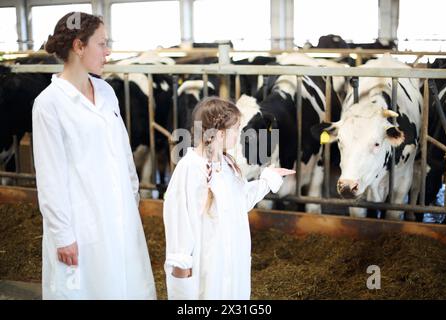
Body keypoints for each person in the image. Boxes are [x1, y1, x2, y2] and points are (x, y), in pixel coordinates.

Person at [32, 12, 156, 299]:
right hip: (82, 222)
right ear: (78, 46)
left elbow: (123, 150)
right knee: (91, 289)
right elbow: (50, 177)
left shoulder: (106, 90)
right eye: (102, 43)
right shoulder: (49, 104)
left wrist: (133, 195)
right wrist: (63, 236)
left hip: (120, 214)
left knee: (128, 285)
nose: (108, 51)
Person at [163, 97, 295, 299]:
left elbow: (240, 201)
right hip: (207, 264)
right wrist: (181, 266)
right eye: (237, 128)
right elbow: (179, 218)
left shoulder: (226, 165)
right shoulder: (189, 168)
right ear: (220, 132)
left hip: (231, 262)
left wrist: (268, 179)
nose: (239, 134)